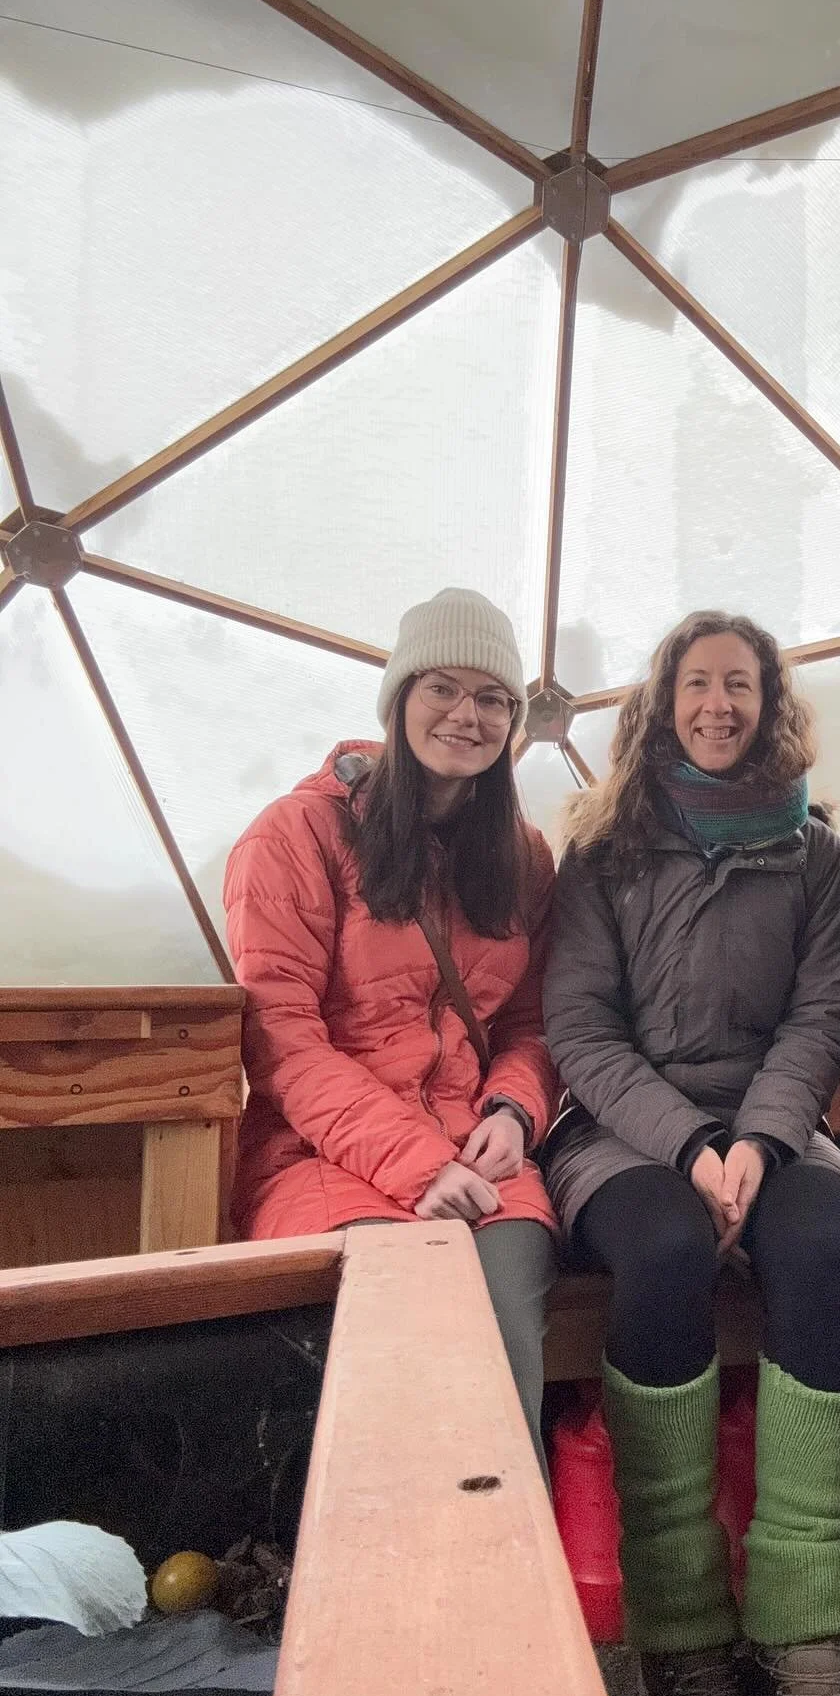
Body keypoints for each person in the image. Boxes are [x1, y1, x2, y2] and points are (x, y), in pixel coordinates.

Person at [542, 611, 840, 1696]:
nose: (719, 704)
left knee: (818, 1249)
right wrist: (686, 1140)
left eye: (741, 684)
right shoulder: (609, 851)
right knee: (669, 1253)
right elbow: (580, 1029)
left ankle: (806, 1656)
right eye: (699, 684)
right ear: (663, 701)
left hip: (775, 1127)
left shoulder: (812, 853)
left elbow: (820, 1018)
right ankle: (680, 1648)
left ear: (770, 700)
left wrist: (755, 1138)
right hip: (624, 1134)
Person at [224, 588, 559, 1473]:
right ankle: (382, 1583)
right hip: (326, 1159)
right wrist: (419, 1166)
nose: (468, 714)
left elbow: (531, 1024)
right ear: (399, 699)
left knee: (508, 1322)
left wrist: (513, 1114)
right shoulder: (295, 835)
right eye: (442, 688)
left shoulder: (523, 856)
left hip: (485, 1159)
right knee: (403, 1338)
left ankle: (510, 1577)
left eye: (494, 699)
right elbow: (283, 1038)